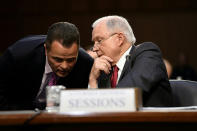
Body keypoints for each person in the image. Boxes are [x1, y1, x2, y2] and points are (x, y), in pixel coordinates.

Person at [0, 22, 93, 110]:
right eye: (58, 59)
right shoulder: (18, 56)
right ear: (46, 50)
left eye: (71, 60)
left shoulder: (85, 62)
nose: (64, 66)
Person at [89, 15, 172, 107]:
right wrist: (92, 80)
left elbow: (126, 94)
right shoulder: (103, 68)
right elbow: (95, 108)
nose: (94, 49)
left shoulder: (148, 53)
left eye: (99, 41)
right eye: (94, 43)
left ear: (120, 39)